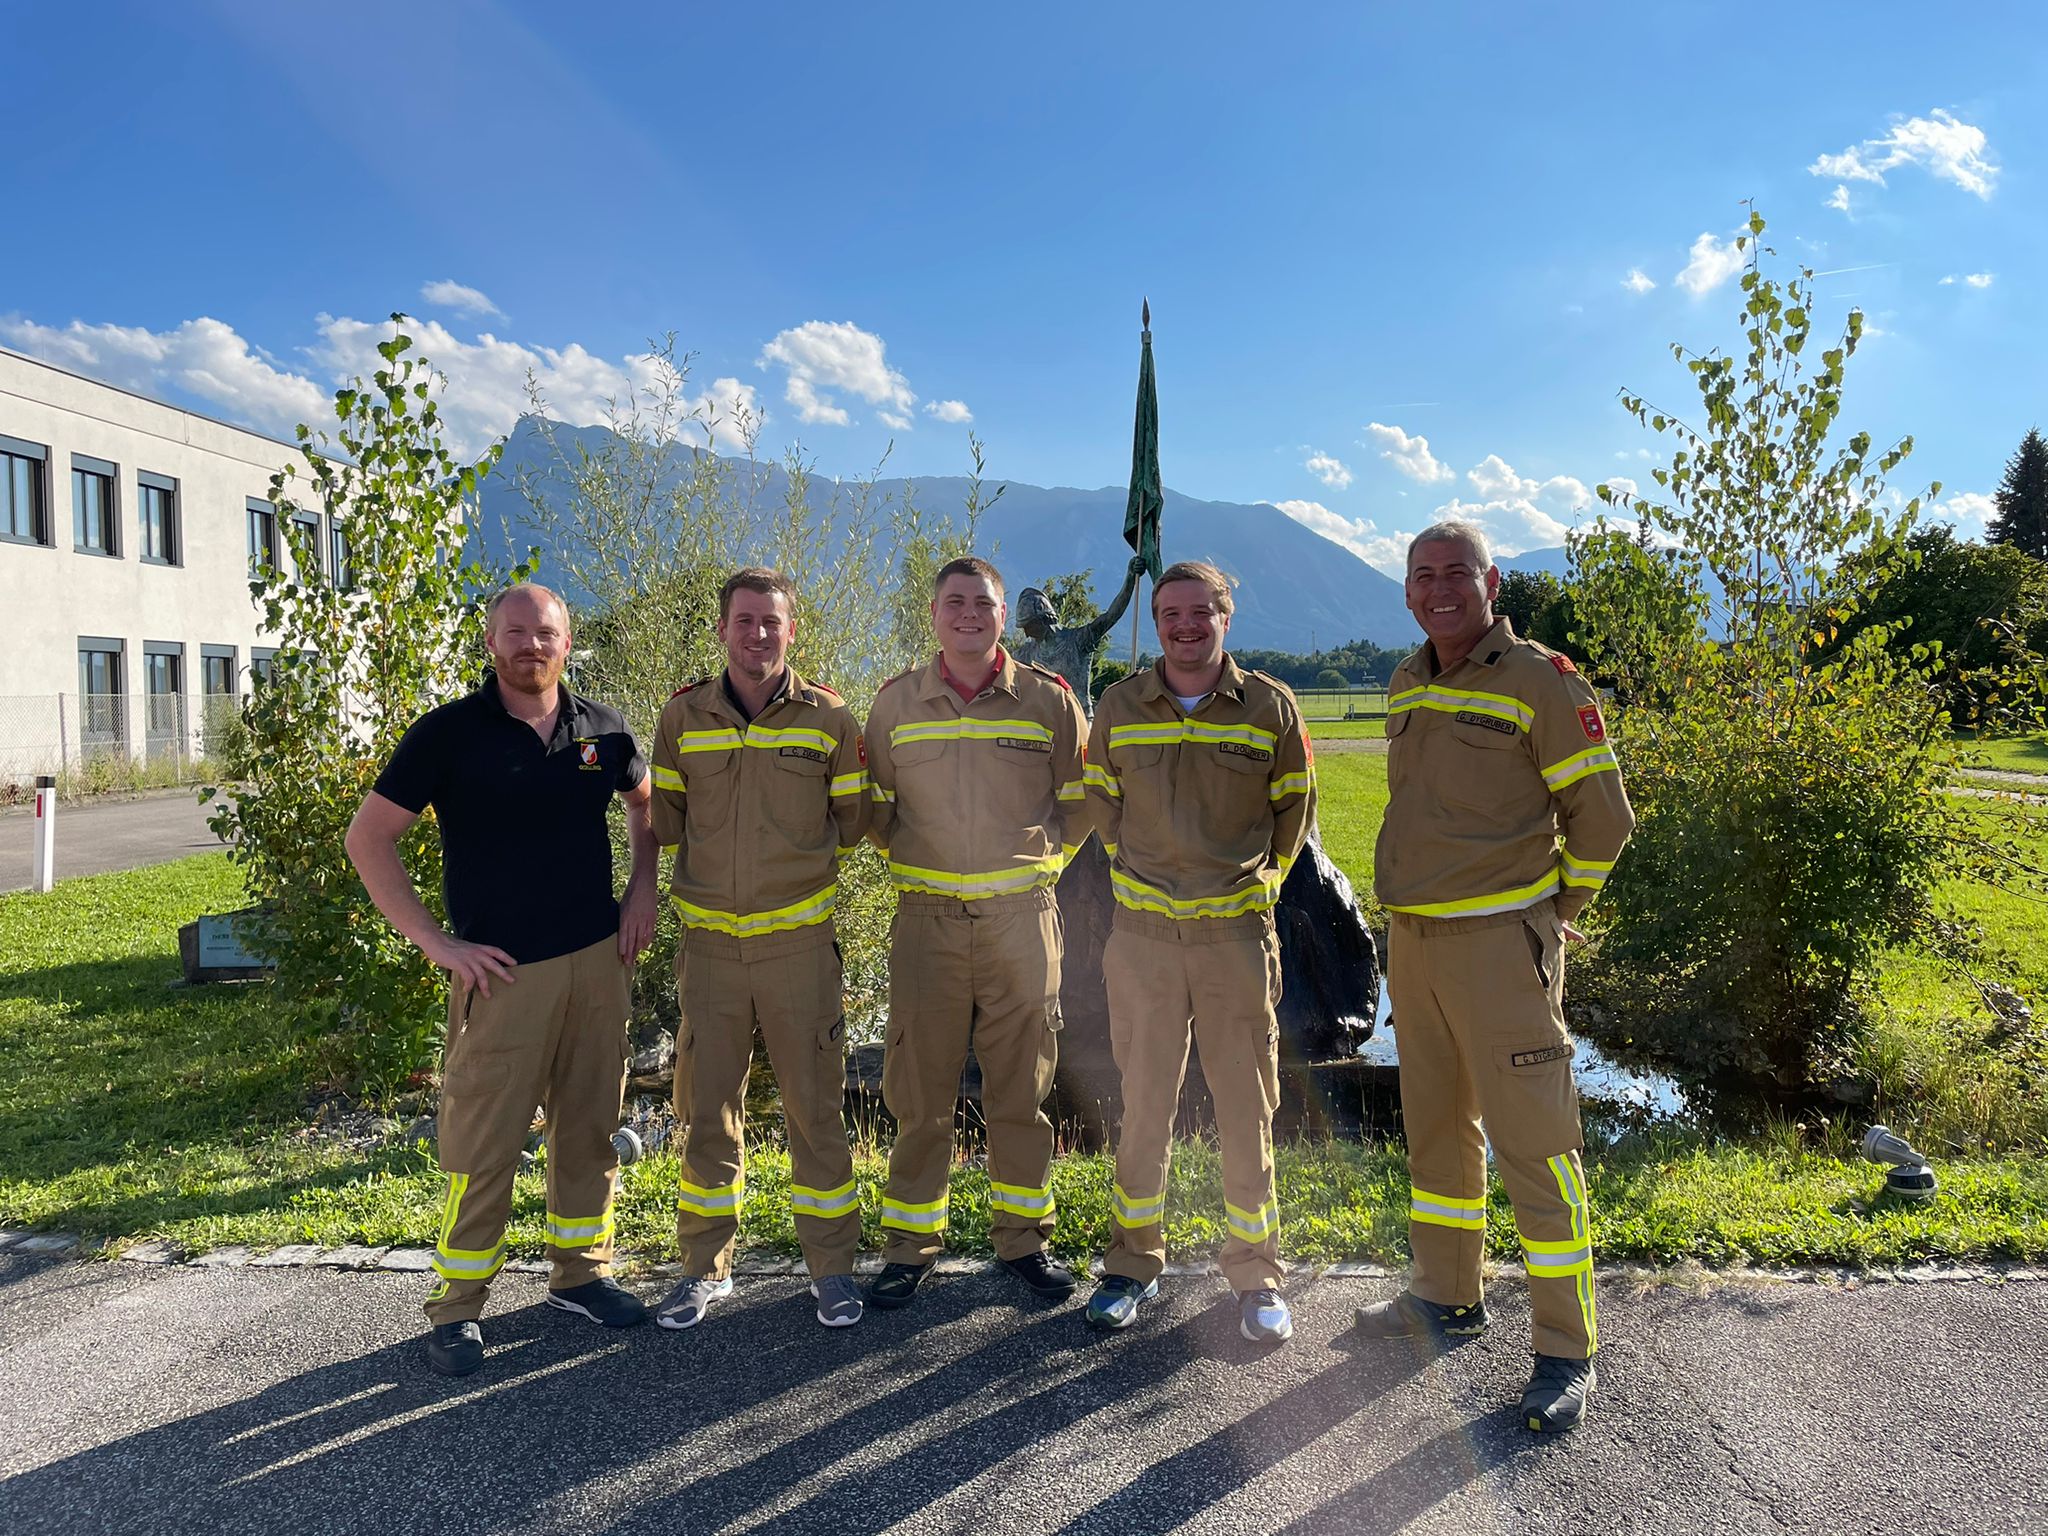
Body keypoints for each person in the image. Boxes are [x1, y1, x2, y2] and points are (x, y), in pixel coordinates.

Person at [1360, 518, 1634, 1434]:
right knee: (1438, 1131)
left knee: (1537, 1147)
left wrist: (1556, 911)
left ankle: (1565, 1349)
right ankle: (1447, 1295)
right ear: (1408, 590)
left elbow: (1604, 821)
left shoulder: (1540, 681)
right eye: (1423, 575)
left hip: (1499, 946)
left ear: (1493, 583)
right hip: (1416, 941)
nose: (1439, 589)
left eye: (1457, 572)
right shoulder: (1408, 679)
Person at [345, 583, 658, 1378]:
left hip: (598, 963)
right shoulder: (448, 734)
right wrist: (435, 943)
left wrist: (642, 889)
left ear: (567, 641)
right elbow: (368, 840)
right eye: (515, 633)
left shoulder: (604, 729)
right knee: (483, 1143)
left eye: (545, 633)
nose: (531, 645)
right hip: (503, 975)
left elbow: (646, 808)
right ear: (491, 643)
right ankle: (457, 1307)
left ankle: (581, 1275)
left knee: (590, 1128)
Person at [1080, 559, 1315, 1343]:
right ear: (1157, 622)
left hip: (1234, 939)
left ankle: (1257, 1274)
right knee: (1144, 1103)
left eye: (1200, 612)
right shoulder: (1121, 704)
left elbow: (1294, 809)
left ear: (1225, 617)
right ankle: (1131, 1264)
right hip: (1144, 940)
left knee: (1247, 1106)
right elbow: (1101, 797)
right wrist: (1134, 865)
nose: (1185, 626)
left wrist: (1258, 882)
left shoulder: (1270, 707)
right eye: (1170, 613)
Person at [645, 568, 870, 1331]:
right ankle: (703, 1270)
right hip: (710, 951)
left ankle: (832, 1270)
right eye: (744, 620)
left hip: (798, 950)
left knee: (816, 1111)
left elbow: (852, 823)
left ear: (791, 630)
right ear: (722, 629)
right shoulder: (682, 717)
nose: (758, 634)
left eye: (771, 621)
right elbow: (666, 821)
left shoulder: (829, 718)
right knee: (708, 1112)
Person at [862, 556, 1089, 1309]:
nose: (968, 614)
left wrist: (1037, 865)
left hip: (1022, 922)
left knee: (1021, 1091)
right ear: (934, 614)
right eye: (954, 602)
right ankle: (909, 1248)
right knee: (919, 1094)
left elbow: (1082, 801)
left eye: (982, 603)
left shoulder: (1049, 700)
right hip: (926, 922)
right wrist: (923, 864)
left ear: (1001, 615)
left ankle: (1023, 1242)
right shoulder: (894, 703)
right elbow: (876, 808)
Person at [1011, 554, 1150, 716]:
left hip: (1080, 718)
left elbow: (1111, 616)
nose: (1026, 633)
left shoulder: (1077, 641)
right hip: (1046, 722)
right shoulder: (1026, 653)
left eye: (1029, 626)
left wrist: (1130, 579)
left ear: (1044, 619)